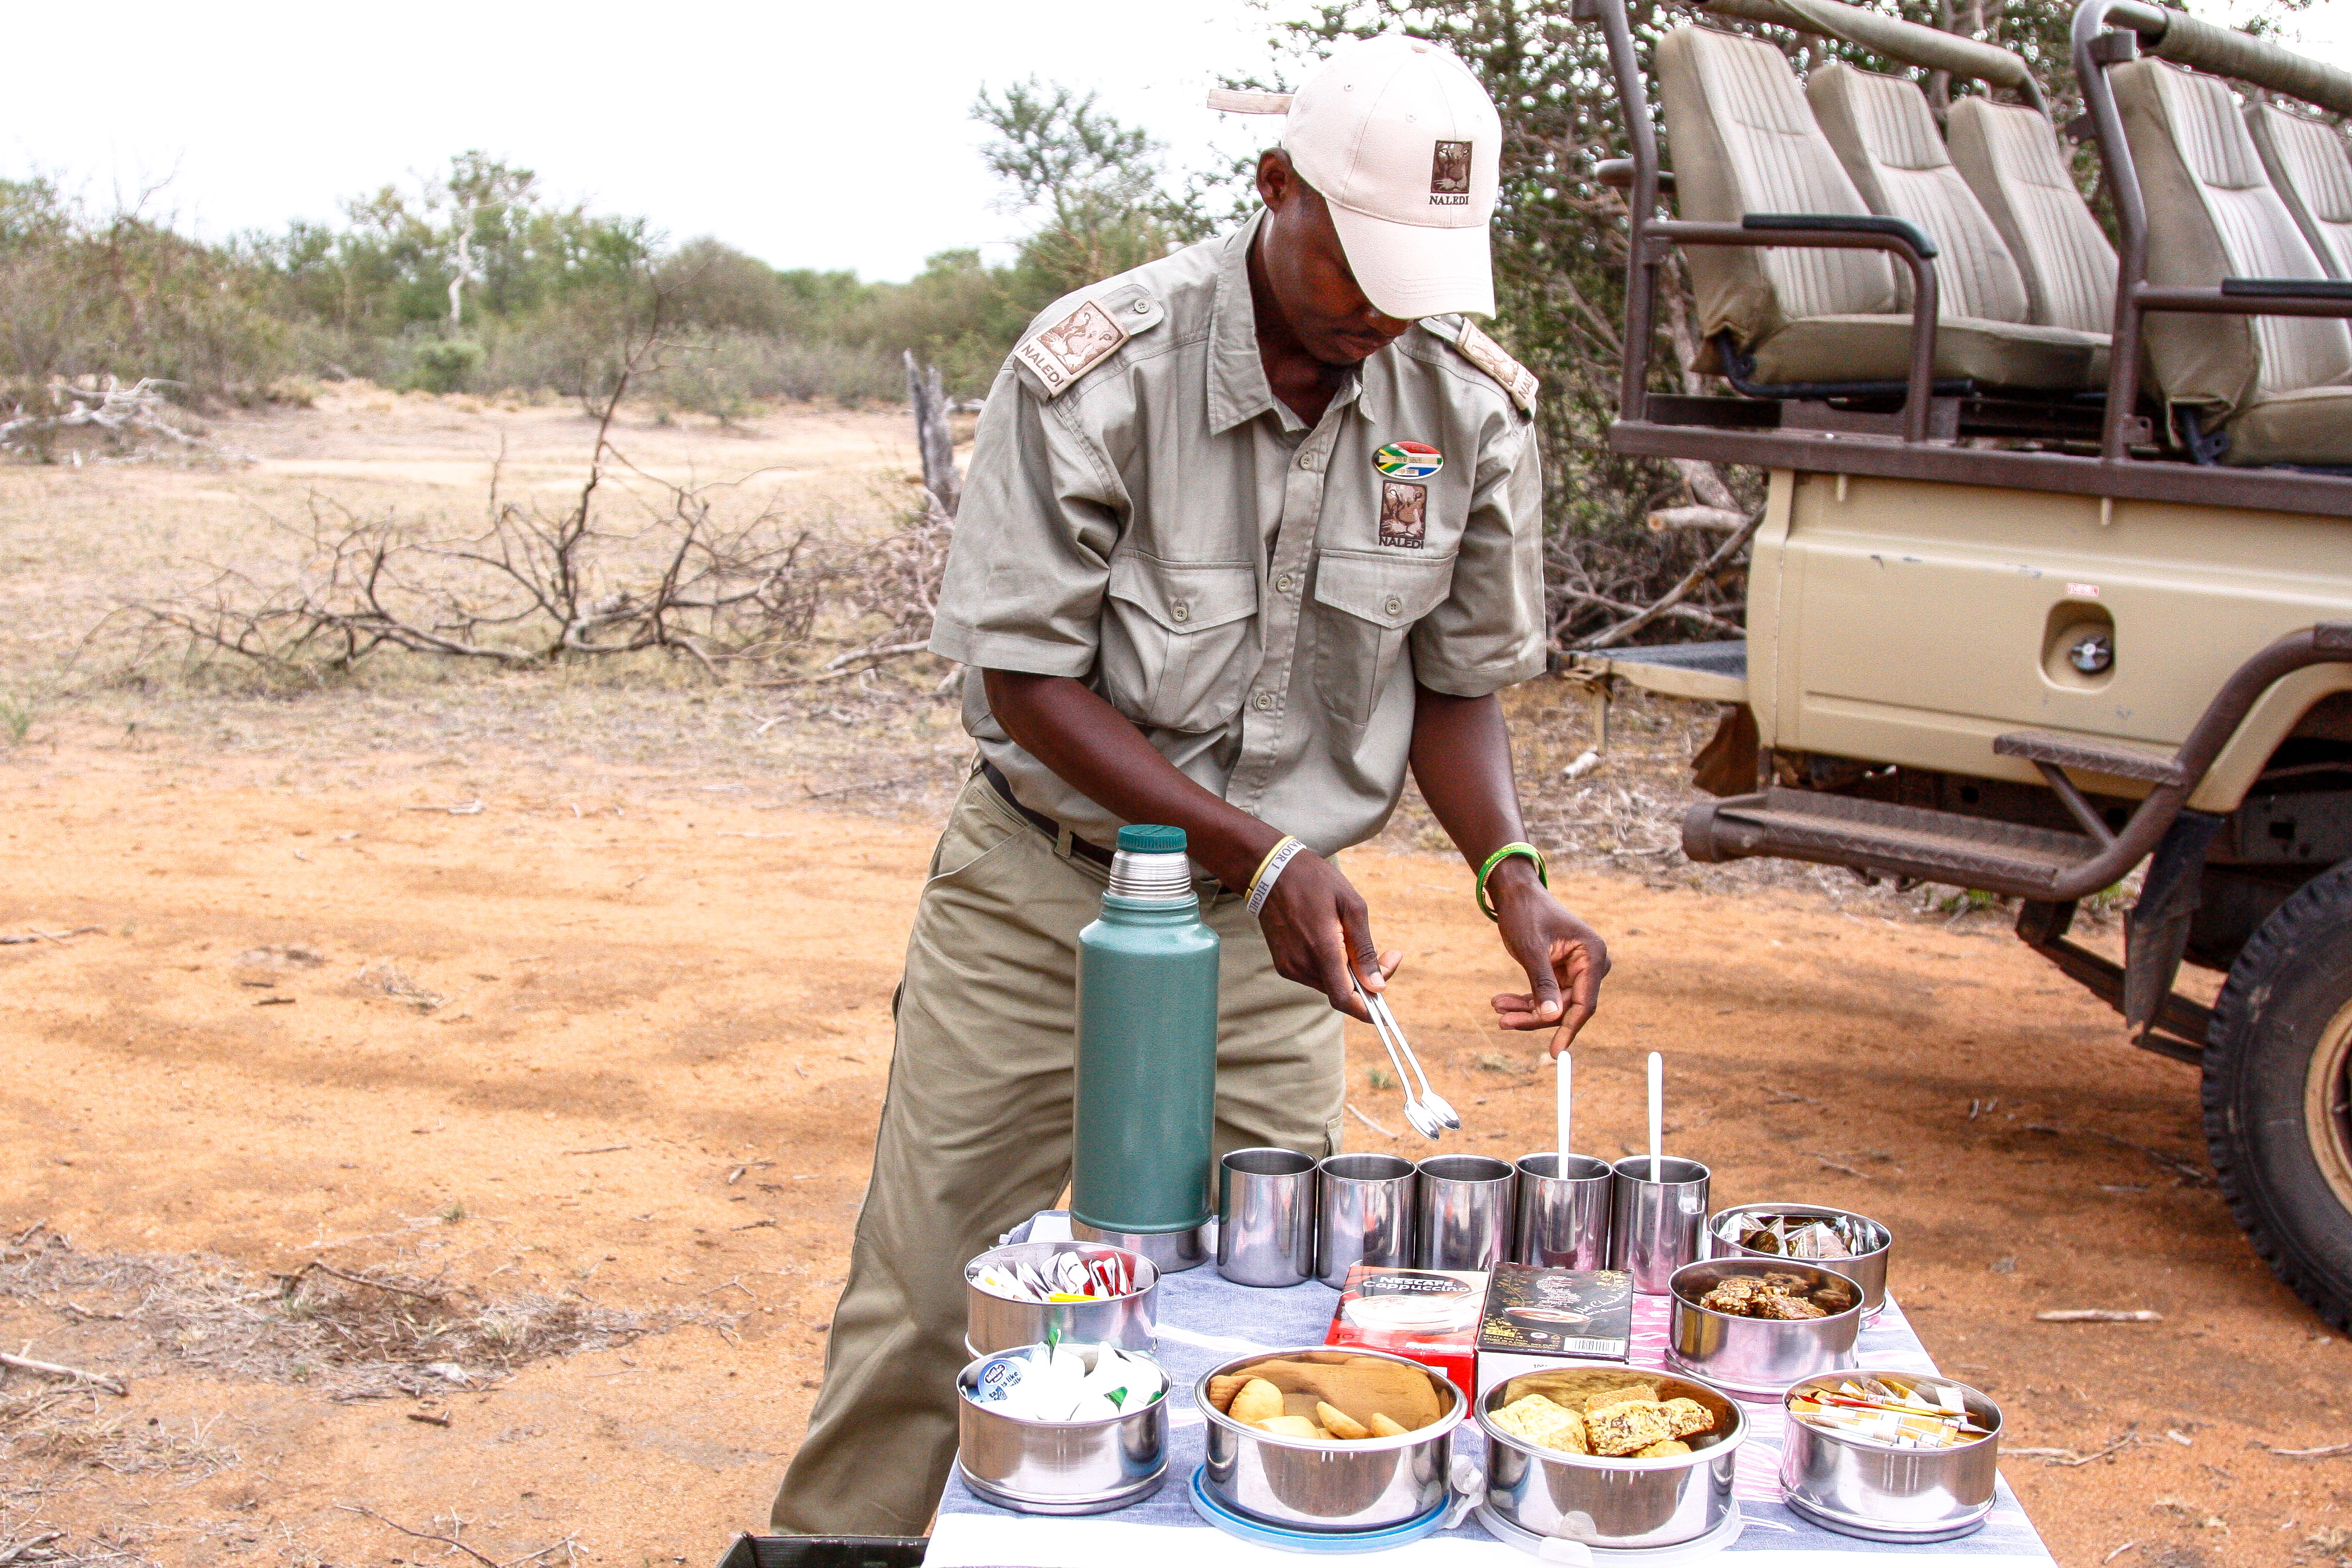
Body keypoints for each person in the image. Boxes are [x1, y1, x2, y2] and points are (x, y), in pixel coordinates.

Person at [771, 33, 1611, 1535]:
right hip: (1045, 908)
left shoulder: (1466, 406)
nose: (1383, 313)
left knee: (1254, 1317)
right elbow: (1027, 682)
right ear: (1273, 185)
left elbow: (1454, 683)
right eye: (1358, 268)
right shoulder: (1100, 366)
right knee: (928, 1307)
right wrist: (1262, 851)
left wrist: (1513, 878)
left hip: (1268, 956)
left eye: (1419, 278)